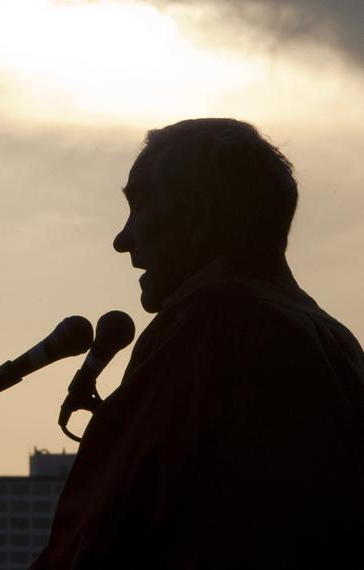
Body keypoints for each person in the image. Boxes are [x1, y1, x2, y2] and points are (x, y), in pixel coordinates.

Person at [32, 118, 364, 568]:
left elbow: (97, 537)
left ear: (197, 215)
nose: (122, 240)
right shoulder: (336, 341)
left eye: (139, 207)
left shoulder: (212, 322)